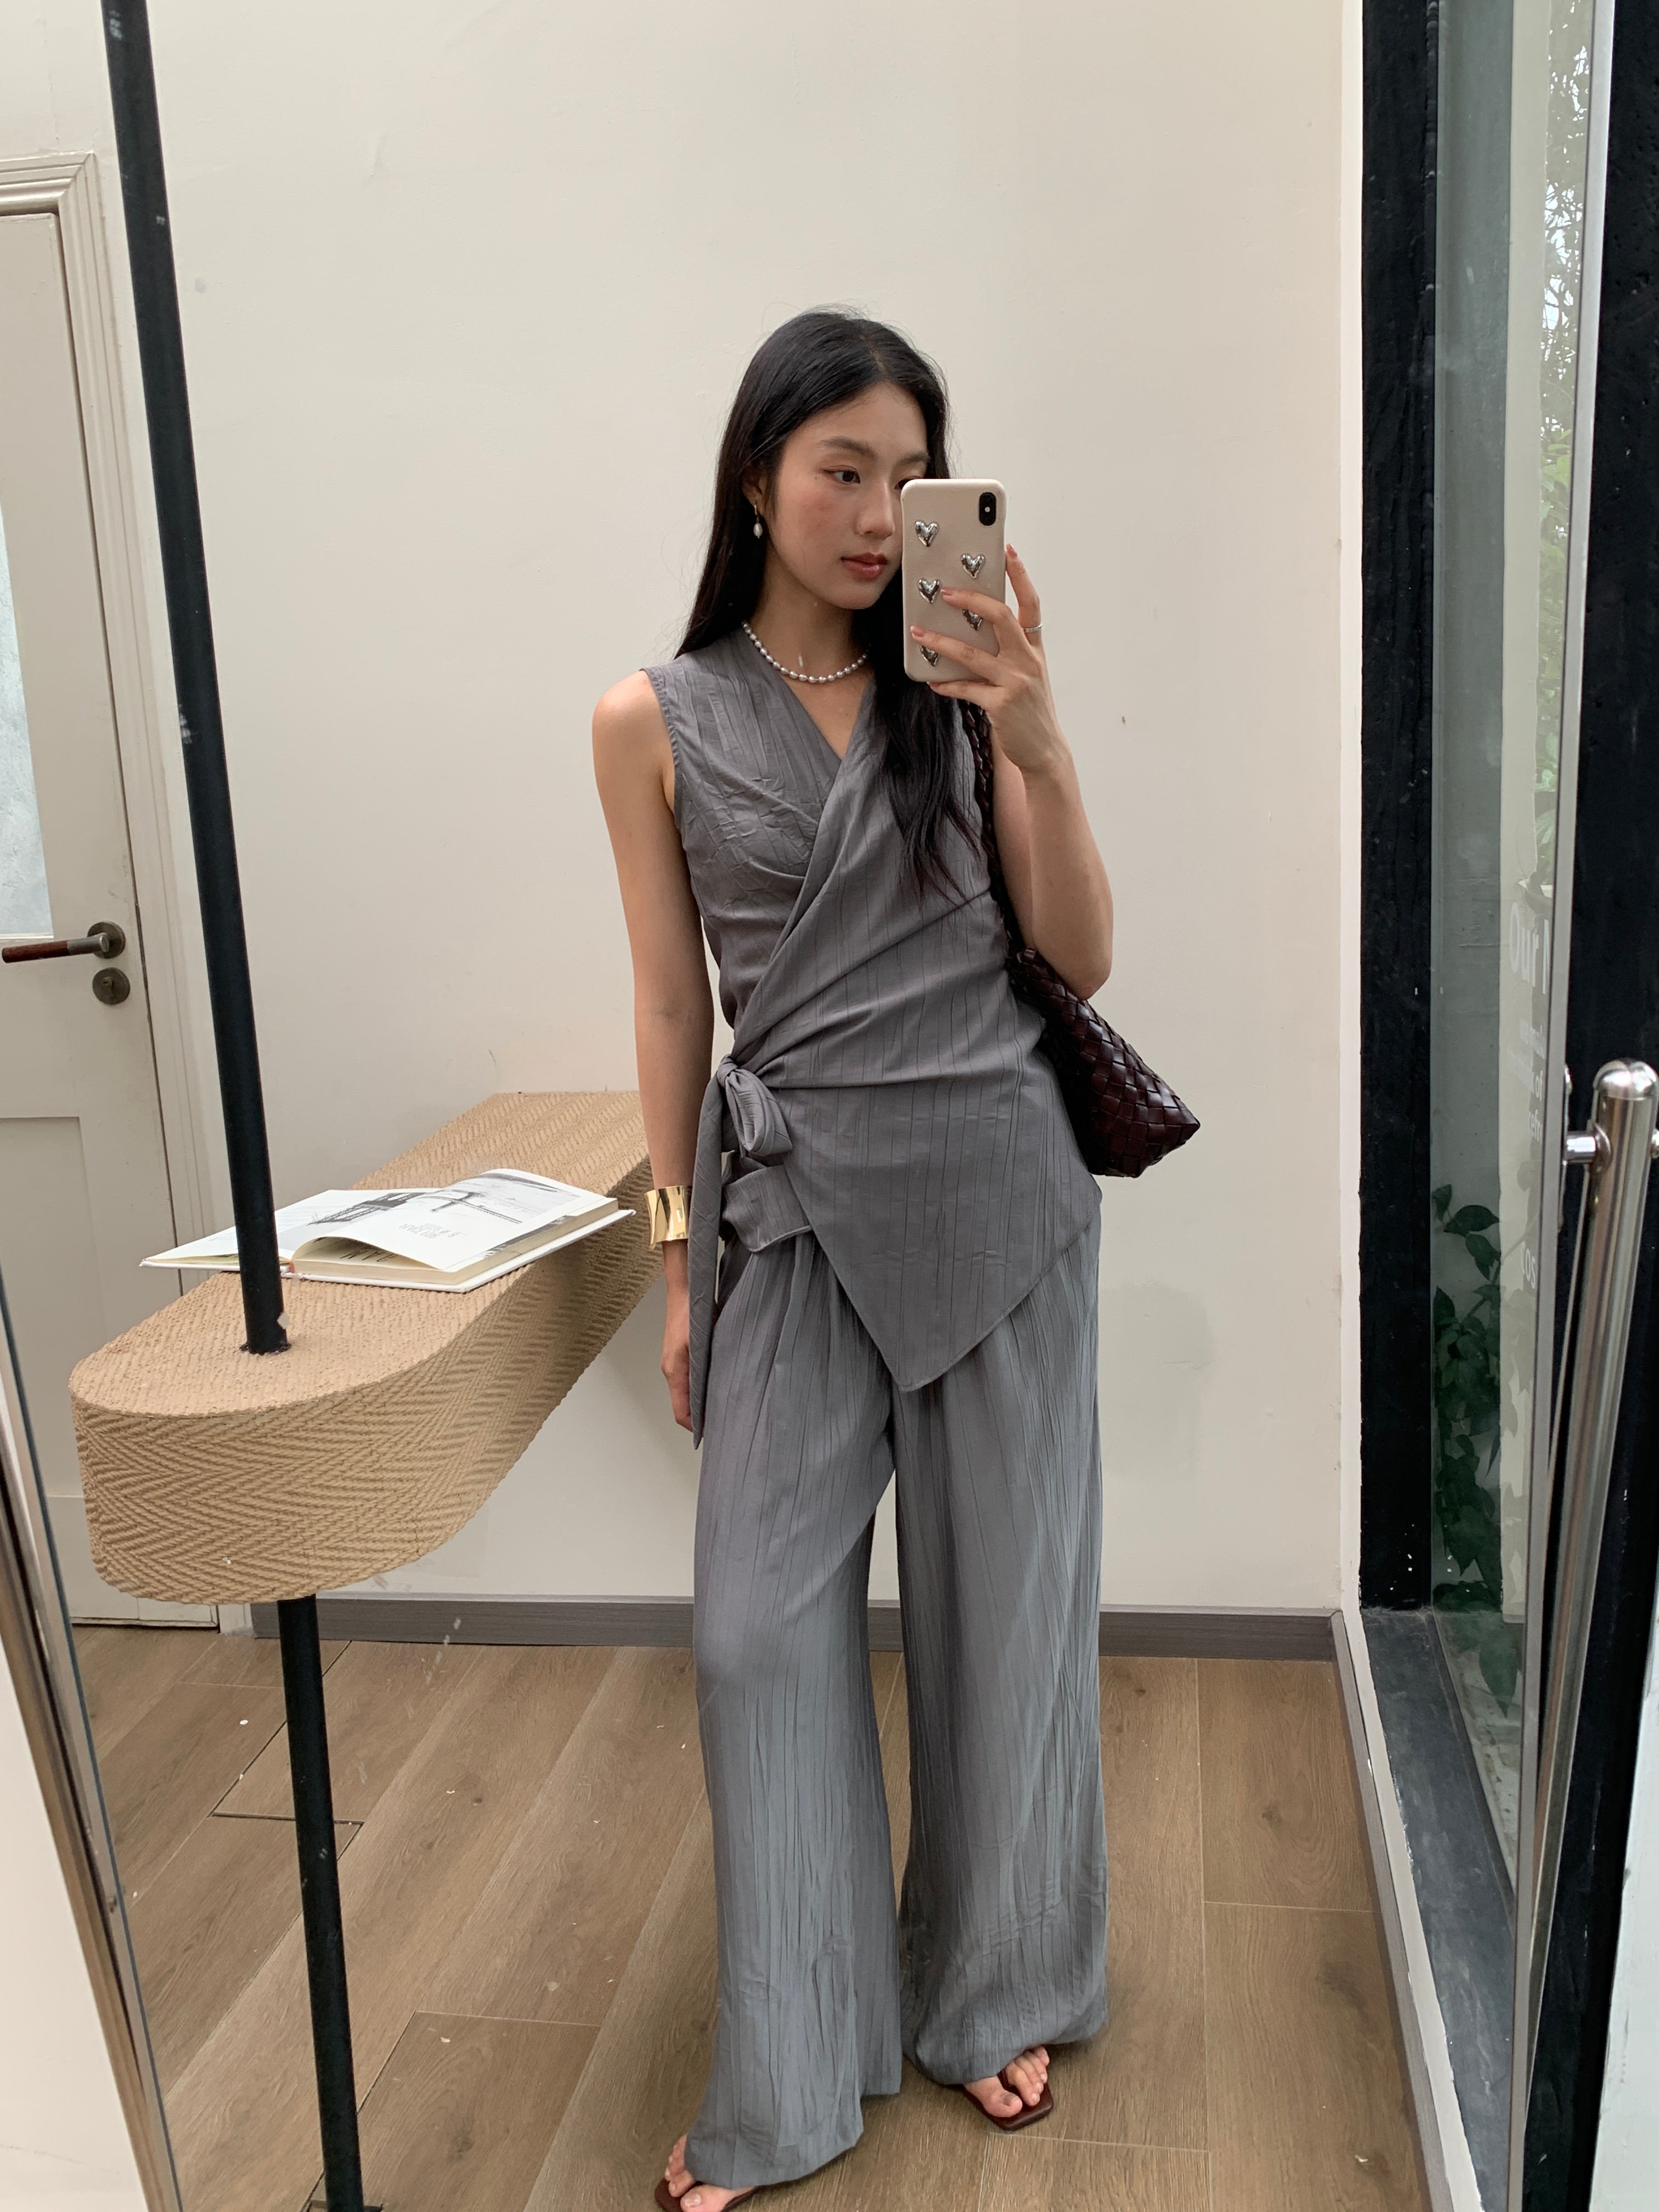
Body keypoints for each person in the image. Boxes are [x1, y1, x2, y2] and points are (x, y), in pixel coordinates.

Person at [592, 308, 1114, 2211]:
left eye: (912, 474)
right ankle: (798, 2058)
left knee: (1006, 1628)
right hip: (794, 1220)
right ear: (757, 479)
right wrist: (678, 1264)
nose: (884, 512)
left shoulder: (960, 688)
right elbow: (674, 1006)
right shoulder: (650, 718)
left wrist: (1034, 730)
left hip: (1000, 1202)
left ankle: (994, 1991)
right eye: (843, 471)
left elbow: (1082, 957)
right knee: (755, 1641)